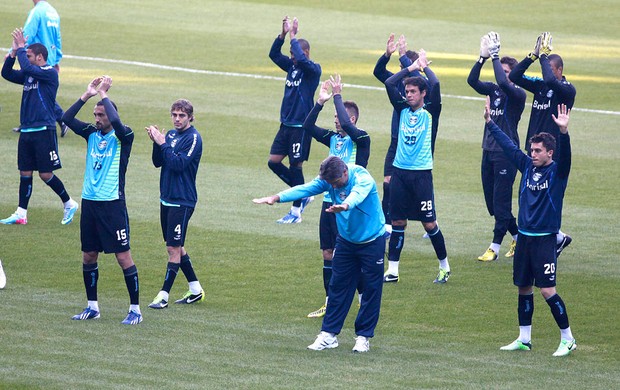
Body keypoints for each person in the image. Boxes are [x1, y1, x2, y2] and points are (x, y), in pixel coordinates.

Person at [253, 156, 386, 353]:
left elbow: (357, 194)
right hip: (346, 241)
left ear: (345, 173)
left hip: (371, 241)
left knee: (371, 290)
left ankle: (363, 337)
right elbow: (305, 188)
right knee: (337, 286)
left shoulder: (362, 178)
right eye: (329, 184)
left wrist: (345, 205)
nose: (333, 186)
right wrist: (277, 197)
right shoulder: (329, 180)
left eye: (336, 183)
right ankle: (329, 335)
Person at [484, 101, 577, 357]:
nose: (533, 154)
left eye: (538, 151)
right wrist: (491, 123)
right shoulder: (526, 166)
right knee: (523, 287)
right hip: (524, 238)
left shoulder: (558, 173)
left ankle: (567, 339)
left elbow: (567, 156)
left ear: (549, 153)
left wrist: (564, 132)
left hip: (545, 240)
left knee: (547, 290)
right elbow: (509, 146)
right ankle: (524, 338)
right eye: (532, 150)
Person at [62, 76, 142, 325]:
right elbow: (65, 119)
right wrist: (87, 95)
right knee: (88, 256)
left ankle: (136, 310)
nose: (97, 119)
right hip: (90, 204)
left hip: (113, 205)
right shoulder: (90, 133)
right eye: (95, 115)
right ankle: (92, 307)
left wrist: (103, 95)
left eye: (101, 115)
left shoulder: (124, 136)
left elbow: (117, 122)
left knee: (123, 257)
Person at [302, 75, 370, 318]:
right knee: (328, 253)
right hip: (329, 205)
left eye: (339, 118)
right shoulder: (333, 139)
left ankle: (363, 300)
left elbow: (349, 126)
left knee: (352, 255)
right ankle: (330, 302)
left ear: (350, 120)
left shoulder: (361, 140)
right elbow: (308, 127)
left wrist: (338, 95)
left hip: (350, 207)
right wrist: (320, 102)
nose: (336, 122)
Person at [382, 58, 450, 284]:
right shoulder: (401, 109)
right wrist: (410, 68)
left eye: (413, 91)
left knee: (429, 224)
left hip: (421, 175)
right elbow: (390, 83)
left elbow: (436, 84)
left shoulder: (432, 111)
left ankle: (444, 267)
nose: (408, 94)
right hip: (399, 173)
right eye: (407, 91)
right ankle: (393, 271)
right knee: (398, 222)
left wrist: (424, 66)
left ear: (423, 93)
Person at [1, 28, 78, 226]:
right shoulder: (29, 73)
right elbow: (6, 73)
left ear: (40, 57)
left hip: (44, 130)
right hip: (27, 129)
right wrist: (12, 53)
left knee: (45, 174)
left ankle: (69, 203)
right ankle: (21, 213)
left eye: (28, 56)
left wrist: (20, 48)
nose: (25, 58)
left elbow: (27, 69)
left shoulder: (50, 73)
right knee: (25, 172)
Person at [509, 32, 576, 257]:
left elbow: (549, 79)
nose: (545, 71)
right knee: (529, 192)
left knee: (548, 196)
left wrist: (545, 58)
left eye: (549, 67)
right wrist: (533, 55)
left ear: (558, 70)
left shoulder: (567, 90)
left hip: (552, 153)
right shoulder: (540, 86)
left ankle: (552, 237)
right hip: (535, 150)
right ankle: (555, 238)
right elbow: (516, 77)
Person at [467, 32, 526, 261]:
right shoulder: (493, 90)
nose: (503, 75)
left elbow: (503, 81)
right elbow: (472, 81)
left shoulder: (518, 94)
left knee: (501, 205)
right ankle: (520, 238)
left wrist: (495, 55)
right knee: (493, 205)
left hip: (506, 154)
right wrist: (482, 58)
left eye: (508, 71)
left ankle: (495, 247)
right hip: (488, 151)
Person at [373, 34, 441, 229]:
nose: (409, 92)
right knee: (388, 182)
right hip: (397, 143)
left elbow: (428, 83)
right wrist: (388, 55)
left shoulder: (420, 90)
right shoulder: (400, 85)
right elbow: (379, 73)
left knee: (419, 185)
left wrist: (409, 61)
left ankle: (429, 222)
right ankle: (388, 224)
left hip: (419, 145)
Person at [146, 99, 205, 309]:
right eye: (174, 115)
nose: (177, 119)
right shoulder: (170, 135)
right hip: (166, 198)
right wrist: (156, 142)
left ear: (190, 117)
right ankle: (196, 290)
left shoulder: (194, 138)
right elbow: (158, 162)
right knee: (176, 245)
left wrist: (163, 144)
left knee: (173, 247)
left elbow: (179, 165)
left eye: (181, 115)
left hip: (182, 200)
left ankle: (163, 296)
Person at [268, 16, 322, 223]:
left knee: (295, 166)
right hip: (286, 124)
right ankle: (304, 193)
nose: (291, 57)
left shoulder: (313, 70)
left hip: (301, 126)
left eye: (294, 53)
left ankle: (296, 212)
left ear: (305, 53)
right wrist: (282, 35)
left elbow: (301, 57)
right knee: (273, 162)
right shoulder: (292, 67)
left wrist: (293, 37)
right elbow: (273, 54)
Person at [13, 0, 67, 136]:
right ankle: (57, 119)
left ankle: (61, 118)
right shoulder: (53, 12)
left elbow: (27, 34)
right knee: (41, 91)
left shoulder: (37, 12)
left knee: (38, 90)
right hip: (48, 57)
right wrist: (56, 59)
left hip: (36, 58)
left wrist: (13, 52)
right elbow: (57, 38)